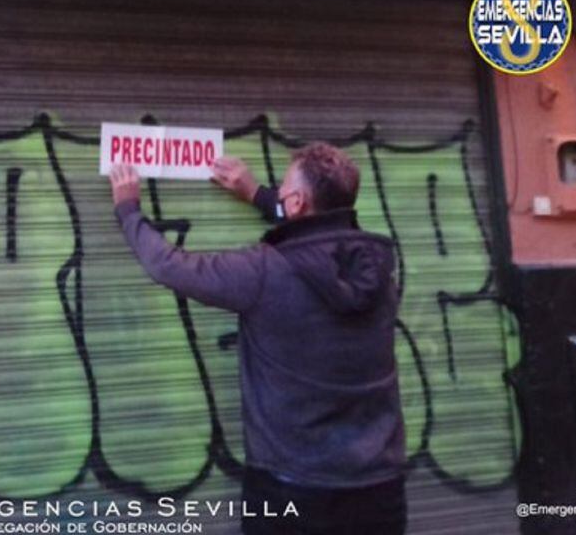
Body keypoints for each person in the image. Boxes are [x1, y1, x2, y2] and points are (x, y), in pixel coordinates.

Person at [108, 142, 407, 535]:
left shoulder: (264, 271)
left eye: (283, 188)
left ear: (296, 202)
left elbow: (169, 266)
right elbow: (325, 236)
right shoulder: (378, 272)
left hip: (292, 491)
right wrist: (258, 195)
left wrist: (128, 210)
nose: (279, 192)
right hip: (380, 488)